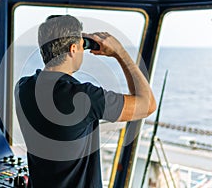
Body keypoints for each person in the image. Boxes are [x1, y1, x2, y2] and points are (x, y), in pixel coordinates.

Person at [15, 15, 156, 188]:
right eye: (82, 46)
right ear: (73, 49)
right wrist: (120, 53)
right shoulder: (84, 97)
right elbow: (147, 104)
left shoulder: (23, 88)